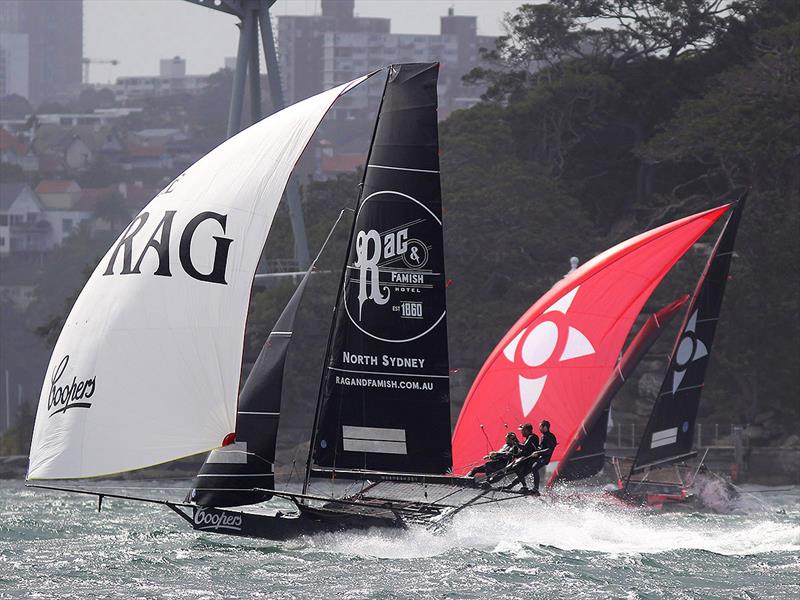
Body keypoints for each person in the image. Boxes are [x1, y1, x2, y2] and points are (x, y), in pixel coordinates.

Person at [504, 421, 557, 495]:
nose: (539, 428)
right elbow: (539, 447)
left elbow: (549, 449)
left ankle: (535, 489)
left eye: (540, 426)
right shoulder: (542, 436)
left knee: (534, 468)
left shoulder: (548, 436)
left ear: (545, 427)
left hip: (544, 458)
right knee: (523, 472)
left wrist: (538, 452)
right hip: (539, 457)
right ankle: (511, 486)